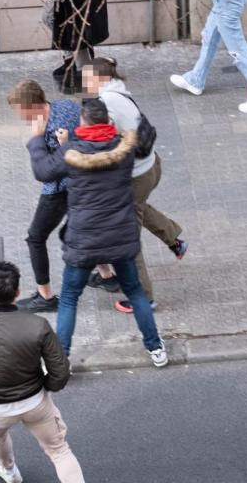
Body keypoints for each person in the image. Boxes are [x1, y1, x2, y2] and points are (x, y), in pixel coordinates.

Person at [27, 98, 168, 367]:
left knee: (69, 298)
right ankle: (155, 348)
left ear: (83, 122)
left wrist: (37, 139)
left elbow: (43, 171)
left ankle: (61, 358)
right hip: (120, 237)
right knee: (136, 292)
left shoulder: (72, 151)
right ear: (108, 122)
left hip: (84, 240)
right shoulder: (125, 148)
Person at [0, 261, 85, 483]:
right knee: (59, 451)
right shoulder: (38, 325)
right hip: (35, 403)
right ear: (17, 292)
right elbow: (60, 370)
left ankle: (9, 472)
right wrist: (47, 387)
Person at [81, 58, 189, 314]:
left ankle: (144, 297)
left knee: (126, 239)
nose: (84, 83)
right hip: (151, 167)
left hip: (134, 177)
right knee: (136, 207)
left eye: (87, 78)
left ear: (100, 78)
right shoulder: (121, 94)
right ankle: (174, 239)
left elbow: (100, 143)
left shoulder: (107, 104)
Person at [7, 80, 80, 313]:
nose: (19, 117)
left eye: (19, 111)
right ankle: (107, 275)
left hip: (59, 190)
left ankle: (45, 296)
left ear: (31, 106)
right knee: (76, 233)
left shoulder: (48, 130)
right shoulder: (65, 106)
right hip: (82, 184)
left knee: (35, 238)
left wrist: (37, 138)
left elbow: (45, 171)